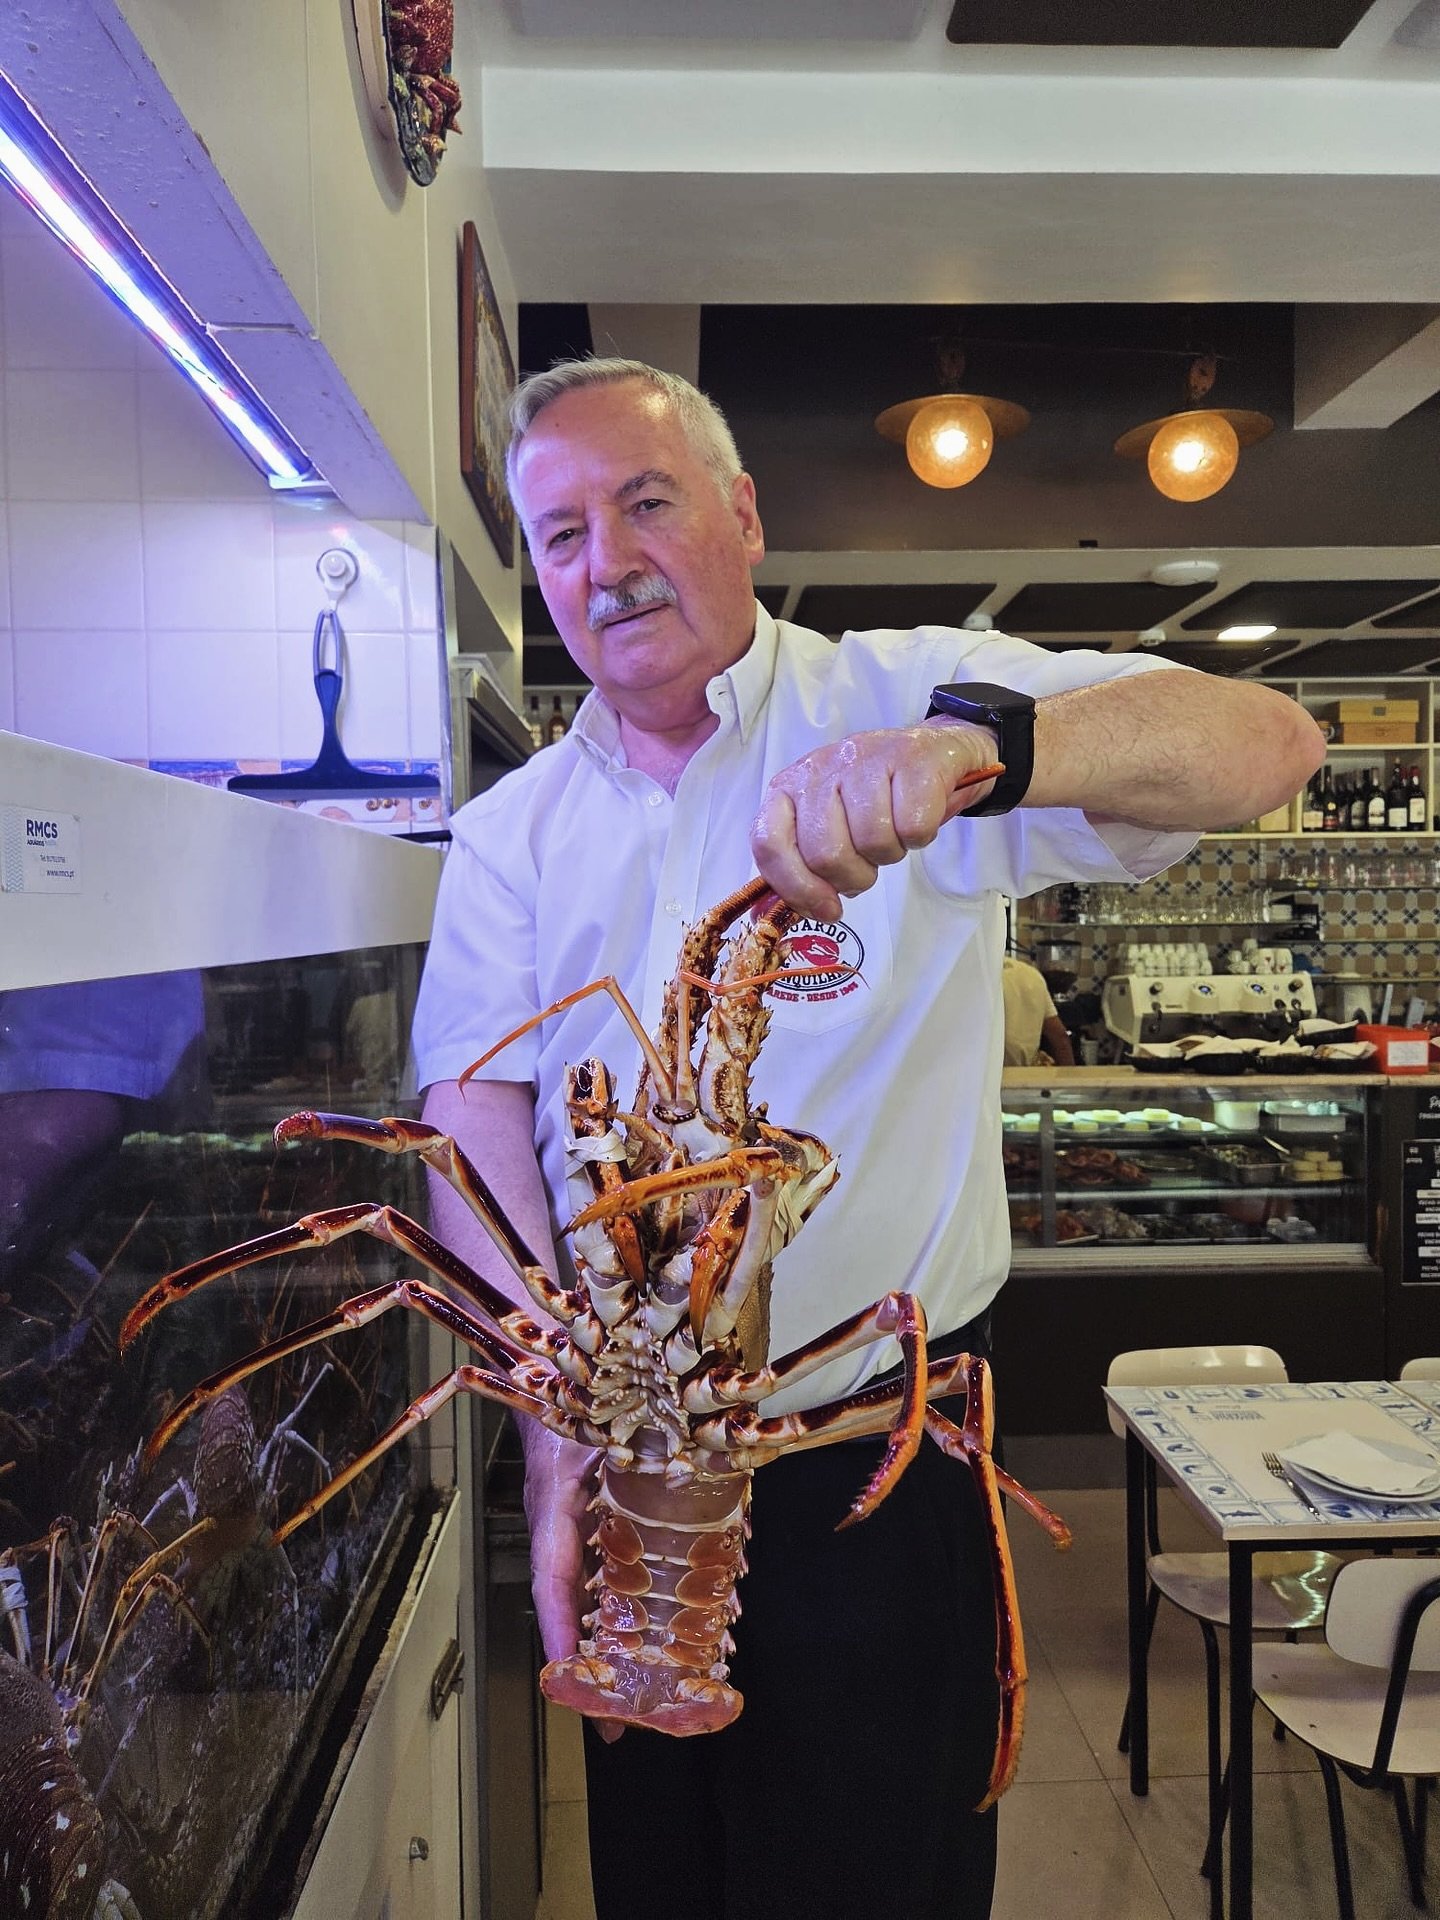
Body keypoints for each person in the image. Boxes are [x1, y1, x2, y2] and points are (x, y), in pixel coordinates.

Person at [410, 358, 1325, 1920]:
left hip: (866, 1462)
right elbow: (475, 1106)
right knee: (662, 1884)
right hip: (630, 1464)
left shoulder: (899, 692)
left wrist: (983, 755)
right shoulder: (510, 834)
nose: (606, 560)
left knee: (880, 1878)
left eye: (646, 502)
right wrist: (552, 1449)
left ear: (743, 514)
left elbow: (1268, 742)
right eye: (558, 533)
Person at [1001, 952, 1076, 1067]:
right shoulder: (1031, 975)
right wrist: (1070, 1081)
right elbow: (1060, 1038)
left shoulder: (974, 977)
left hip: (986, 1078)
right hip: (1027, 1076)